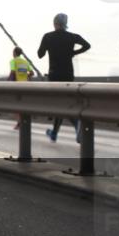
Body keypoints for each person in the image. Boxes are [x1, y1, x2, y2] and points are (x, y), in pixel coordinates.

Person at [38, 13, 91, 143]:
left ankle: (77, 125)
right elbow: (87, 45)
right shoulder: (72, 36)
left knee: (60, 105)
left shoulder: (48, 36)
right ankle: (54, 133)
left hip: (54, 75)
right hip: (68, 75)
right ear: (65, 24)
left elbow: (40, 54)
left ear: (54, 23)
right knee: (63, 103)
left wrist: (46, 48)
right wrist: (73, 53)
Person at [9, 46, 34, 130]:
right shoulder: (25, 62)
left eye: (13, 52)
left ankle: (19, 123)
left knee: (16, 105)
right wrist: (26, 76)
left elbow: (12, 72)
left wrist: (8, 82)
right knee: (23, 105)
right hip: (25, 86)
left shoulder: (13, 61)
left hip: (17, 86)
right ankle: (23, 122)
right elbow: (32, 73)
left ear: (15, 53)